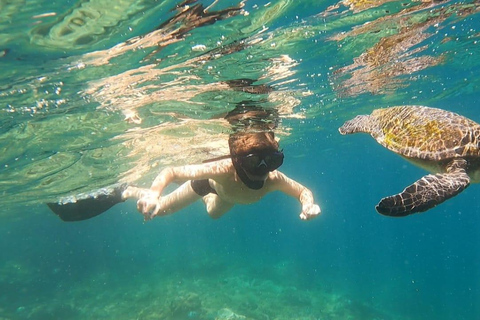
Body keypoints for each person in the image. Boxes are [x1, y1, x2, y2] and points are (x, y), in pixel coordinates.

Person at [123, 131, 320, 221]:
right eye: (253, 161)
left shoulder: (273, 179)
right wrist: (155, 193)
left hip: (228, 194)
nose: (261, 169)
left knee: (213, 214)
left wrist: (307, 205)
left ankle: (209, 198)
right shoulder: (224, 170)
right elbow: (171, 171)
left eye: (271, 161)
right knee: (162, 210)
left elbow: (303, 191)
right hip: (210, 184)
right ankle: (133, 191)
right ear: (238, 161)